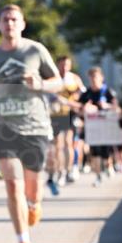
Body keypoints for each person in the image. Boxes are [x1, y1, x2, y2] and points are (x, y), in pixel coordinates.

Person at [0, 4, 63, 243]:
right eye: (5, 19)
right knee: (12, 184)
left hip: (35, 126)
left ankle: (34, 204)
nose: (10, 24)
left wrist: (40, 84)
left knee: (32, 189)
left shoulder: (35, 50)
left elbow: (59, 82)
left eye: (14, 19)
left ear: (22, 24)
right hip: (4, 126)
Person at [46, 55, 84, 194]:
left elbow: (82, 93)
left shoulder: (74, 78)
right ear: (57, 65)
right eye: (62, 65)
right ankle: (60, 171)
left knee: (68, 143)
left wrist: (75, 98)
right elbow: (47, 93)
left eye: (67, 65)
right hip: (55, 114)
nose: (64, 67)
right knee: (58, 145)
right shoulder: (53, 78)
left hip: (69, 113)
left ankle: (69, 169)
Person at [78, 67, 118, 186]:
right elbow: (79, 109)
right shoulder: (86, 94)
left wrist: (106, 106)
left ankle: (108, 165)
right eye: (91, 77)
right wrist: (84, 109)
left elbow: (116, 108)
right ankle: (98, 176)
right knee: (95, 152)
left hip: (106, 127)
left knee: (106, 152)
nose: (93, 80)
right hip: (92, 129)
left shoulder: (107, 91)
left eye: (95, 77)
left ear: (101, 78)